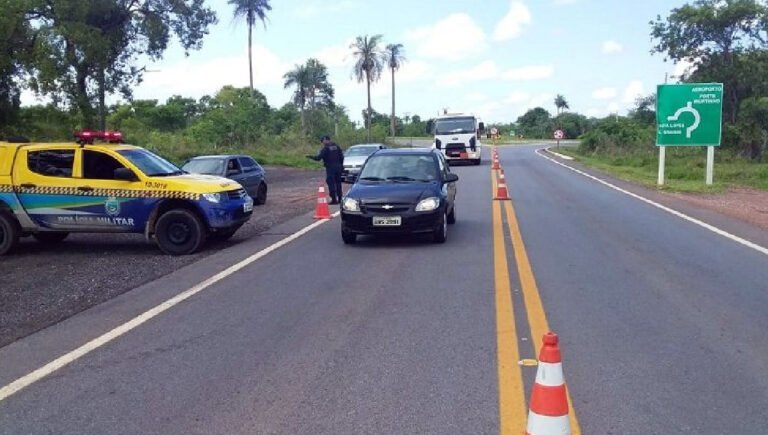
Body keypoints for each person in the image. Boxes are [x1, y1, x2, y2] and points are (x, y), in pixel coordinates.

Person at [307, 135, 344, 204]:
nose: (322, 143)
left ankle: (334, 199)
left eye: (322, 141)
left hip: (330, 168)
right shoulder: (337, 146)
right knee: (338, 183)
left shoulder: (326, 149)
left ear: (326, 140)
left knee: (331, 183)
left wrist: (310, 157)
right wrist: (341, 166)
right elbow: (342, 157)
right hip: (338, 167)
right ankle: (340, 198)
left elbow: (318, 158)